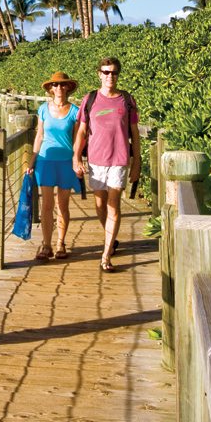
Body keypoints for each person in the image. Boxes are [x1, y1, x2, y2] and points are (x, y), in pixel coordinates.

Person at [73, 56, 140, 272]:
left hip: (119, 160)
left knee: (114, 205)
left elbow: (135, 133)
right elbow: (82, 131)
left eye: (114, 72)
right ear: (99, 74)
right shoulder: (89, 99)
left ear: (118, 74)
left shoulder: (127, 100)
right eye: (106, 72)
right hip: (96, 160)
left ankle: (105, 254)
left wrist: (137, 161)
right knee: (100, 204)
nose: (110, 76)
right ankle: (109, 237)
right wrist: (76, 157)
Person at [26, 71, 80, 262]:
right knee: (47, 205)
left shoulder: (75, 111)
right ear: (50, 89)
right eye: (55, 85)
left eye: (62, 85)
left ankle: (60, 243)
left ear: (68, 87)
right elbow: (39, 135)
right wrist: (32, 160)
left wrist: (77, 160)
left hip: (66, 161)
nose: (58, 88)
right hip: (45, 160)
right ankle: (46, 244)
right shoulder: (42, 109)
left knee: (63, 205)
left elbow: (78, 140)